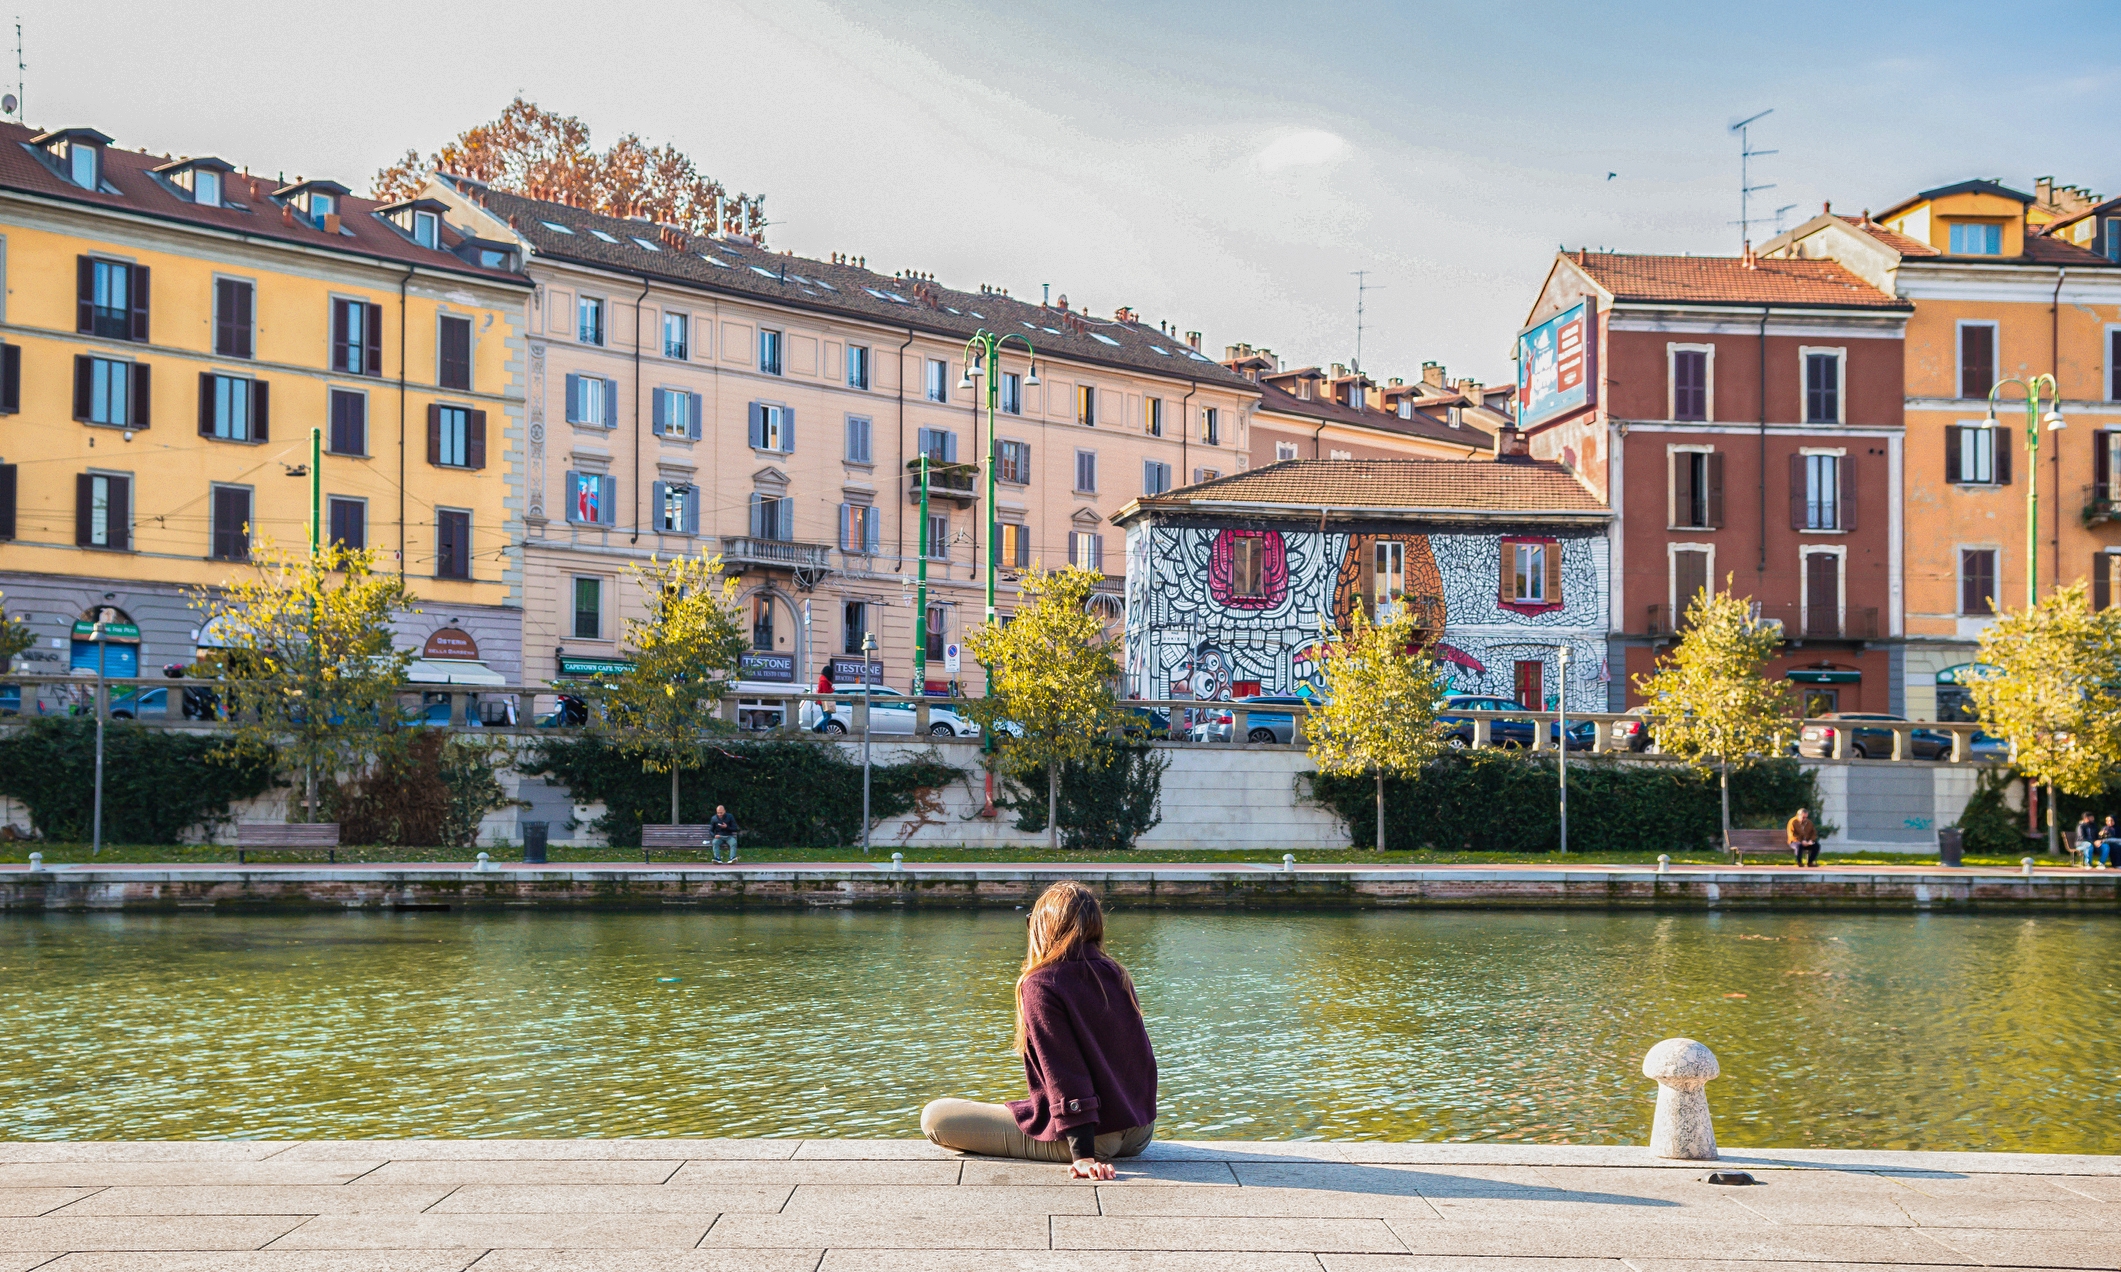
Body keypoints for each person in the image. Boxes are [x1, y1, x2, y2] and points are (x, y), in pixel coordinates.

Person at [920, 880, 1157, 1178]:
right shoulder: (1115, 973)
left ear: (1044, 927)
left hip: (1094, 1140)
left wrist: (1083, 1155)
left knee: (937, 1116)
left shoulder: (1042, 983)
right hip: (1139, 1132)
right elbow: (1141, 1063)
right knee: (1021, 1107)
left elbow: (1066, 1072)